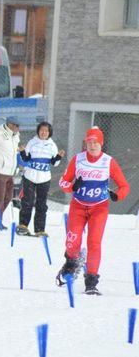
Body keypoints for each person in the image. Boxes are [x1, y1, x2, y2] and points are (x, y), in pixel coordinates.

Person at [57, 126, 130, 295]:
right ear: (86, 143)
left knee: (94, 243)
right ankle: (71, 261)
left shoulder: (108, 161)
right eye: (90, 142)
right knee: (72, 241)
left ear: (101, 144)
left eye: (96, 142)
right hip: (78, 206)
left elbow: (124, 186)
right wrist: (72, 186)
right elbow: (63, 182)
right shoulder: (78, 159)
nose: (92, 145)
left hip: (99, 208)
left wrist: (117, 196)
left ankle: (91, 281)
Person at [15, 121, 65, 237]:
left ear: (49, 133)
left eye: (46, 131)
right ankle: (23, 226)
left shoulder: (52, 145)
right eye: (42, 130)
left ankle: (39, 229)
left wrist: (58, 156)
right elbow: (26, 159)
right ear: (38, 131)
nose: (44, 132)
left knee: (41, 204)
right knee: (27, 201)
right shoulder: (32, 142)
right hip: (30, 177)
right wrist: (22, 151)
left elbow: (55, 163)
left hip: (44, 178)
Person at [0, 117, 23, 230]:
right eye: (16, 125)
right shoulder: (0, 135)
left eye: (19, 126)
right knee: (0, 198)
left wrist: (18, 150)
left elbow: (8, 149)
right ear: (9, 125)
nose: (18, 128)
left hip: (9, 171)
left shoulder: (15, 135)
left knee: (8, 197)